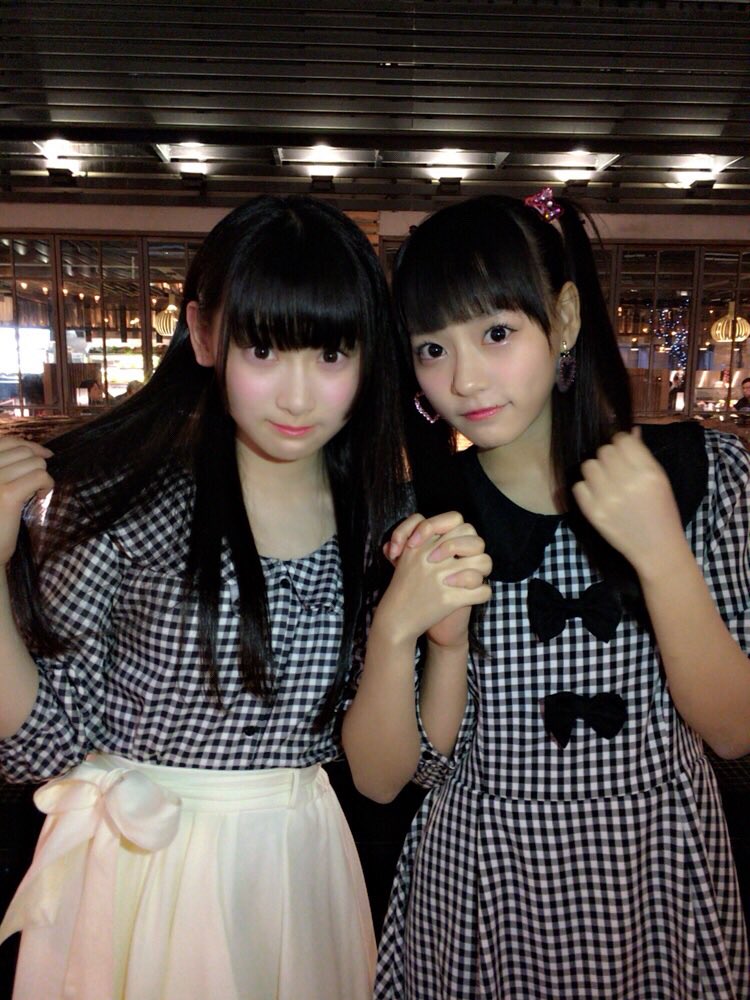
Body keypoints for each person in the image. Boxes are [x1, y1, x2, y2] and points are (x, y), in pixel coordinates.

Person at [343, 193, 750, 999]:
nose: (464, 378)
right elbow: (388, 780)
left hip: (656, 867)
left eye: (496, 333)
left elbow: (735, 731)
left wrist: (663, 555)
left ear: (563, 319)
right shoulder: (422, 517)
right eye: (432, 348)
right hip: (483, 875)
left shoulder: (702, 476)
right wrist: (403, 633)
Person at [0, 195, 407, 1000]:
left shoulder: (378, 517)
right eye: (264, 350)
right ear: (204, 334)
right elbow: (41, 747)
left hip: (297, 860)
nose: (298, 397)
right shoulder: (122, 504)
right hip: (144, 867)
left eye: (332, 355)